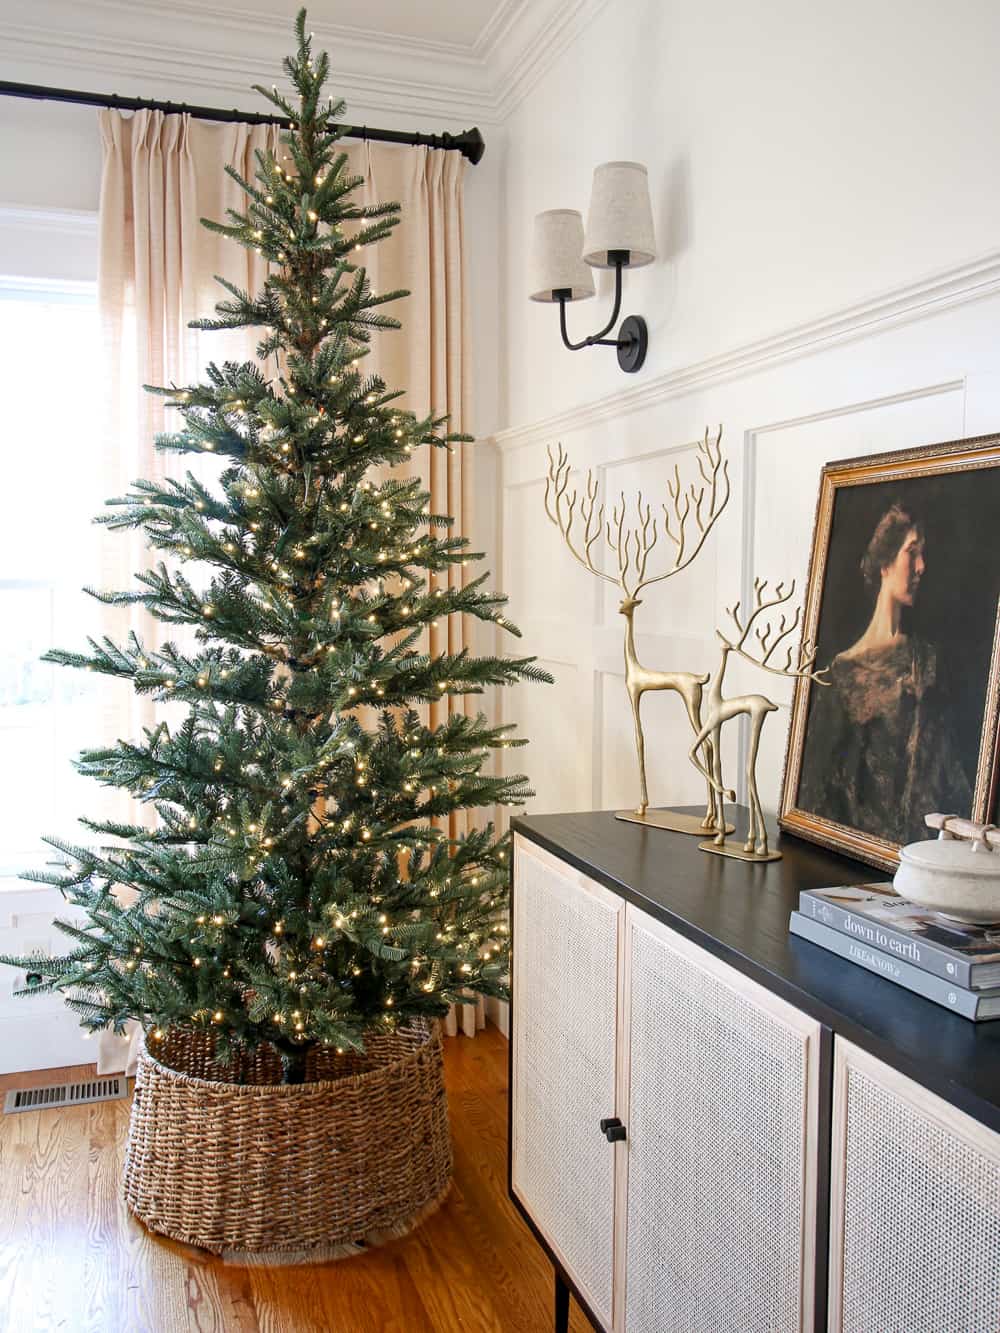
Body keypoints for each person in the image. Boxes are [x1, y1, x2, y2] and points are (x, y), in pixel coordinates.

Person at [799, 502, 972, 844]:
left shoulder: (929, 660)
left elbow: (952, 774)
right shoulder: (842, 675)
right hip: (860, 849)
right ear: (884, 562)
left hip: (926, 849)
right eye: (912, 552)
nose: (922, 566)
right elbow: (823, 793)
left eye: (924, 554)